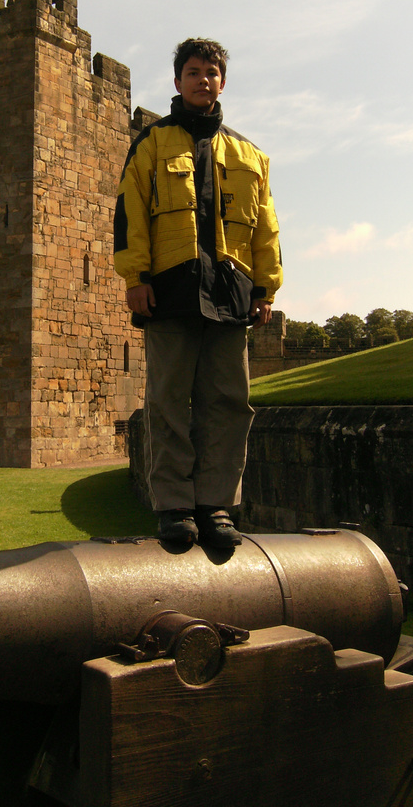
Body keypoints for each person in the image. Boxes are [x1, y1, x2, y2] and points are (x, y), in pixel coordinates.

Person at [114, 38, 282, 547]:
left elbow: (265, 227)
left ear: (222, 82)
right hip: (170, 291)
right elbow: (130, 215)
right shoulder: (151, 143)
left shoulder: (250, 154)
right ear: (177, 81)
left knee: (229, 402)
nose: (202, 79)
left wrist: (265, 287)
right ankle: (174, 508)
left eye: (211, 72)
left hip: (231, 296)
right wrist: (136, 277)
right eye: (192, 71)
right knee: (167, 402)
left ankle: (216, 505)